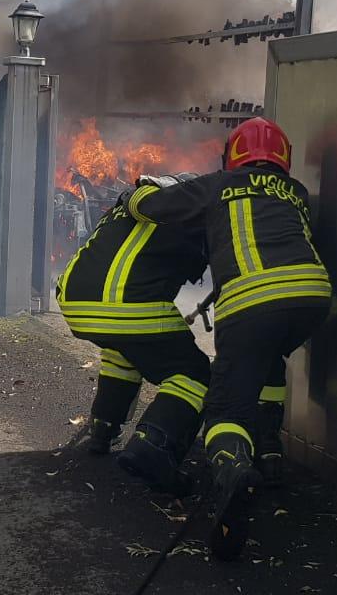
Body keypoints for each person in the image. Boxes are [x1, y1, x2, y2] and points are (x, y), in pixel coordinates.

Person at [126, 117, 330, 560]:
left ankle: (233, 470)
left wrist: (135, 193)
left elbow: (154, 207)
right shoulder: (296, 192)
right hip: (312, 296)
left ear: (233, 155)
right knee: (267, 360)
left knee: (225, 408)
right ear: (283, 157)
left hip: (253, 301)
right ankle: (269, 453)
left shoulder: (218, 185)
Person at [56, 173, 211, 495]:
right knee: (194, 374)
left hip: (74, 302)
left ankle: (104, 427)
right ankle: (153, 446)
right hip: (128, 307)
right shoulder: (180, 212)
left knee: (125, 351)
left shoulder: (128, 208)